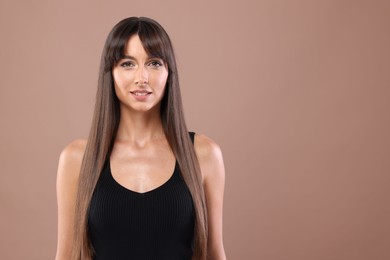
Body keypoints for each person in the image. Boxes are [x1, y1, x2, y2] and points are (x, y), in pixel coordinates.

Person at [55, 17, 226, 260]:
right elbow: (67, 256)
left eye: (154, 63)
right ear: (110, 73)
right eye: (127, 64)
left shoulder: (204, 154)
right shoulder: (77, 159)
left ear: (169, 73)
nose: (142, 77)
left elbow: (214, 254)